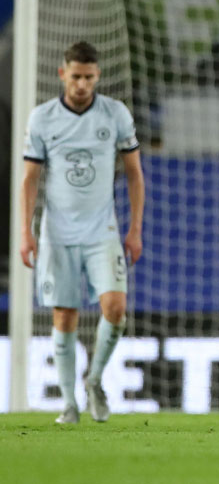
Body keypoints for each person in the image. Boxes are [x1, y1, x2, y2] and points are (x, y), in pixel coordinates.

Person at [20, 41, 145, 425]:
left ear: (97, 76)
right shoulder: (42, 118)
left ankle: (94, 380)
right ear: (62, 74)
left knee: (115, 307)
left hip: (102, 230)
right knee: (64, 315)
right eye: (75, 76)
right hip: (56, 232)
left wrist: (135, 229)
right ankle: (70, 404)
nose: (81, 84)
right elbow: (29, 179)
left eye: (89, 77)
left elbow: (134, 174)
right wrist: (25, 233)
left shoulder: (115, 114)